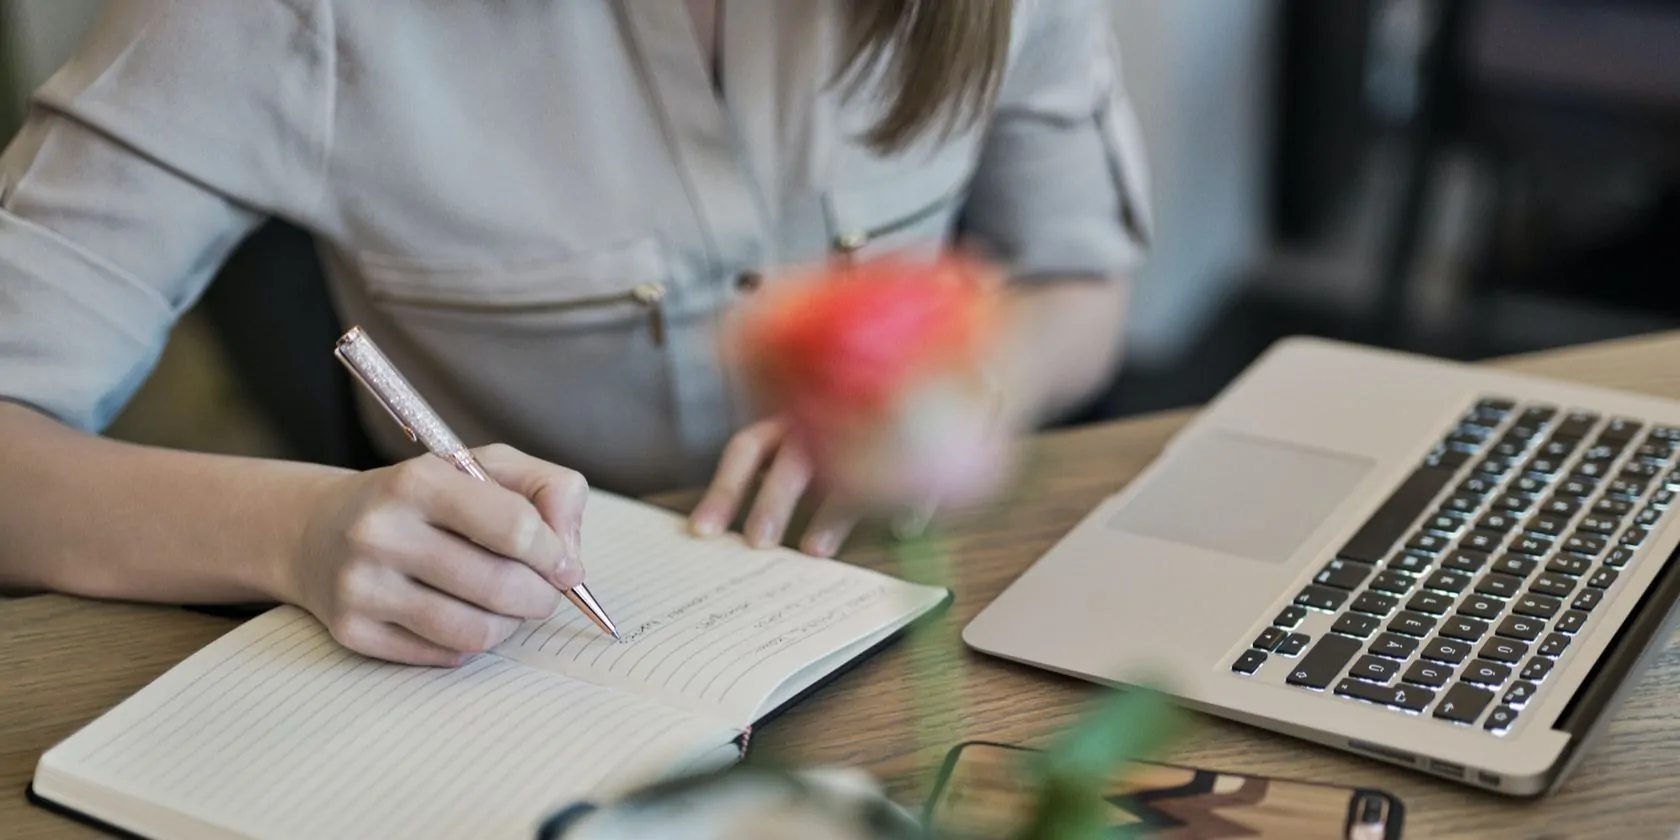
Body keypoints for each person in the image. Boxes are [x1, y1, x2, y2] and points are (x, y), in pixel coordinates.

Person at [0, 0, 1151, 666]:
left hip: (930, 624)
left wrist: (958, 392)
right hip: (527, 670)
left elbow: (1081, 283)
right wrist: (294, 530)